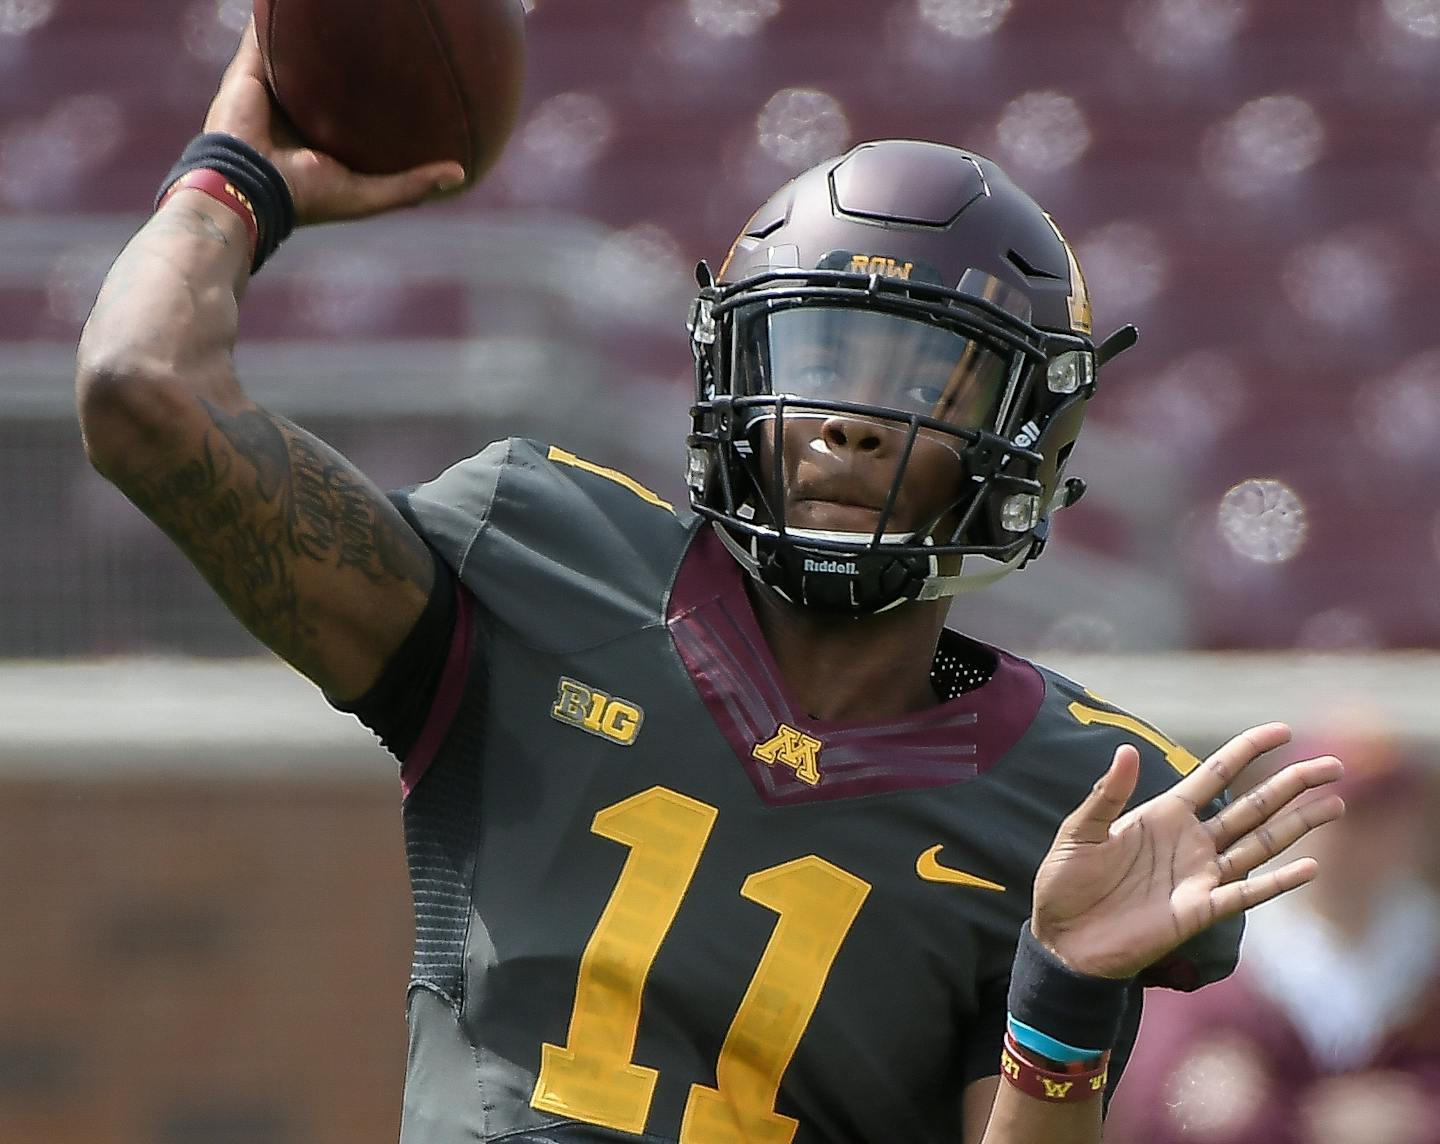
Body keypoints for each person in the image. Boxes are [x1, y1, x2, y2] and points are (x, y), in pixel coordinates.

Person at [74, 24, 1344, 1144]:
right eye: (817, 354)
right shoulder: (535, 553)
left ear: (1023, 442)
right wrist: (233, 177)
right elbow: (141, 394)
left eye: (916, 381)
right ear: (733, 373)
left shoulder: (1079, 799)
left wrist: (1061, 1001)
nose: (846, 422)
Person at [1105, 727, 1440, 1144]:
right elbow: (1157, 1101)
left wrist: (1421, 1113)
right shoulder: (1214, 942)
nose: (1359, 839)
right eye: (1338, 815)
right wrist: (1288, 1119)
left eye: (1383, 815)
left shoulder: (1425, 950)